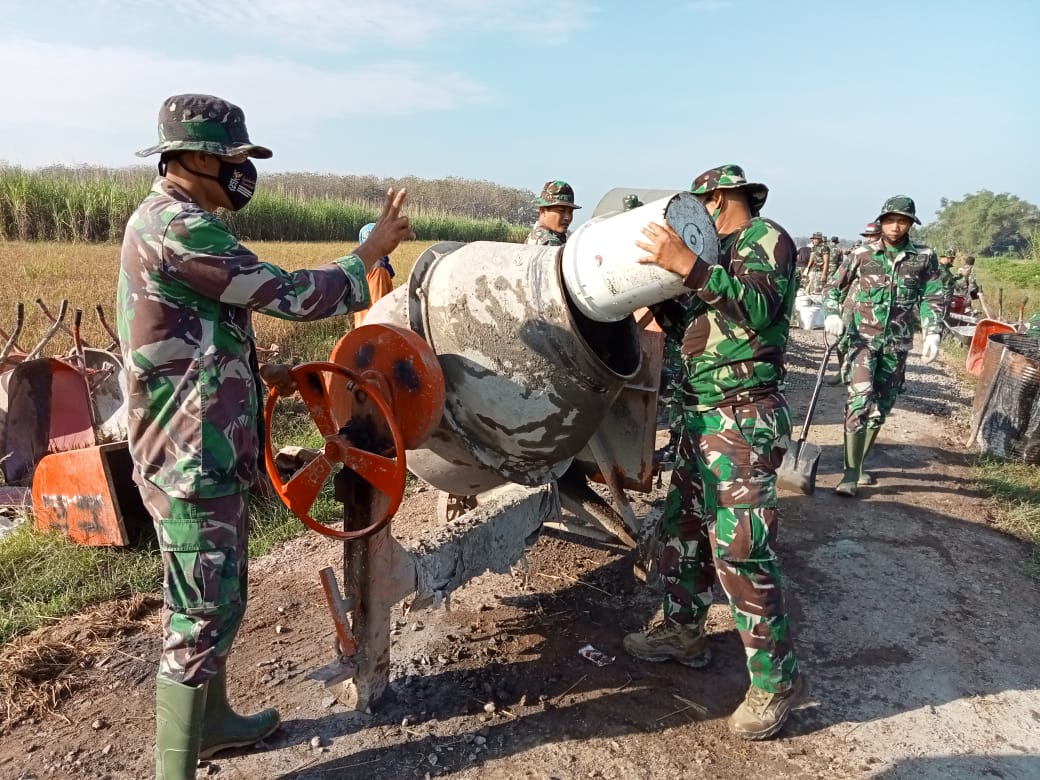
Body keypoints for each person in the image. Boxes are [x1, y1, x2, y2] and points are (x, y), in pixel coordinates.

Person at [119, 93, 413, 779]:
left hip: (203, 442)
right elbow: (286, 293)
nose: (242, 174)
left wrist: (254, 370)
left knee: (218, 598)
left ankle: (214, 724)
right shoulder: (178, 228)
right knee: (198, 615)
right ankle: (176, 770)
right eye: (233, 160)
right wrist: (366, 253)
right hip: (189, 456)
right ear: (191, 158)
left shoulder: (176, 221)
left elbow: (205, 325)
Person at [624, 164, 803, 740]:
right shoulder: (715, 256)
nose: (694, 219)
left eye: (701, 205)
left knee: (741, 549)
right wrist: (666, 295)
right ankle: (684, 631)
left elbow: (756, 309)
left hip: (742, 418)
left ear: (721, 198)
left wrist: (691, 267)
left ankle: (776, 682)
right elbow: (697, 332)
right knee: (683, 532)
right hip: (701, 416)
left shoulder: (765, 239)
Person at [823, 196, 943, 497]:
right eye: (889, 220)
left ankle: (860, 464)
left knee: (882, 408)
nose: (895, 226)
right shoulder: (863, 253)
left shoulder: (924, 257)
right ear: (881, 221)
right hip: (862, 342)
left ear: (911, 223)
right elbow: (832, 288)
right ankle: (849, 474)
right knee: (860, 400)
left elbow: (933, 296)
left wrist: (932, 332)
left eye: (901, 220)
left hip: (897, 345)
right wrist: (833, 315)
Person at [824, 222, 881, 387]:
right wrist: (836, 307)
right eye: (867, 236)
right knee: (843, 341)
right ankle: (842, 372)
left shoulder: (886, 259)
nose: (869, 239)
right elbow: (839, 282)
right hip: (852, 305)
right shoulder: (859, 255)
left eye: (873, 236)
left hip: (875, 310)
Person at [353, 222, 396, 328]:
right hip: (373, 331)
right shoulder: (378, 269)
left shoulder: (360, 265)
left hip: (362, 326)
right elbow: (378, 305)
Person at [526, 180, 580, 245]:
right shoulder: (550, 242)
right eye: (561, 211)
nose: (567, 217)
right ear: (543, 211)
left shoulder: (535, 236)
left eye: (570, 212)